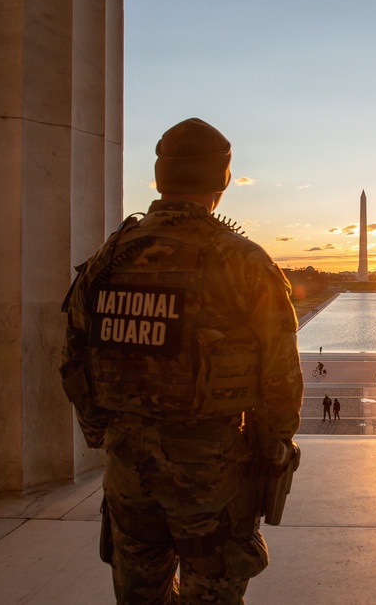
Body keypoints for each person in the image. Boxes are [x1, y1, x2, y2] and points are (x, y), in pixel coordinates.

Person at [60, 117, 303, 604]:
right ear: (223, 181)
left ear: (160, 179)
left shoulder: (109, 257)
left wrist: (103, 432)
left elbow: (74, 357)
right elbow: (281, 373)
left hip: (128, 468)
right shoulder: (242, 262)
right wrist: (273, 449)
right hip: (210, 470)